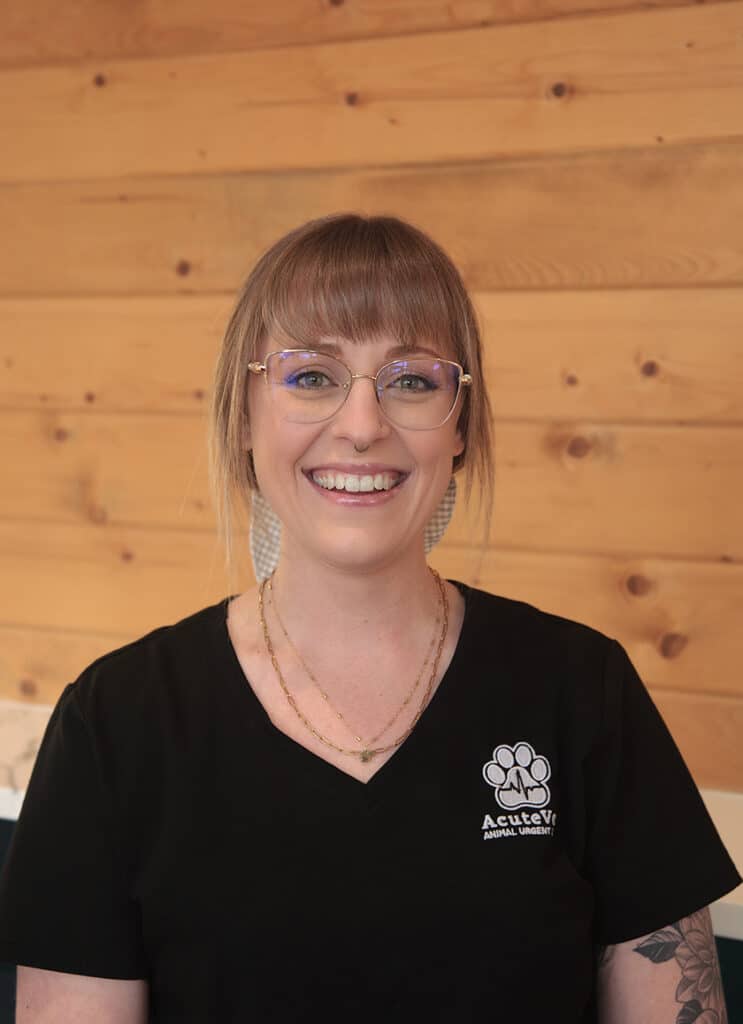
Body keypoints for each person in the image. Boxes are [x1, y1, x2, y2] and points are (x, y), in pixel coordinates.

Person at [0, 213, 739, 1023]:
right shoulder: (115, 722)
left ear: (458, 426)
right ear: (244, 417)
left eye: (411, 380)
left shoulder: (582, 691)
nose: (361, 425)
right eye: (311, 376)